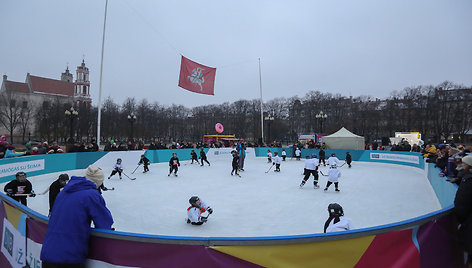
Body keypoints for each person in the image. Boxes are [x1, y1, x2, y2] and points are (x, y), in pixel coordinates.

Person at [40, 165, 114, 267]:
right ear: (99, 182)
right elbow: (104, 223)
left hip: (48, 253)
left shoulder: (64, 192)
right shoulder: (92, 195)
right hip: (70, 256)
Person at [453, 155, 472, 266]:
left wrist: (463, 221)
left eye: (464, 164)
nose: (461, 165)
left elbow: (461, 204)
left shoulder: (468, 180)